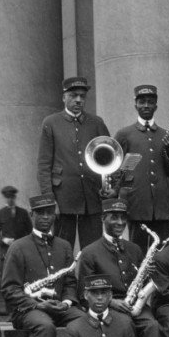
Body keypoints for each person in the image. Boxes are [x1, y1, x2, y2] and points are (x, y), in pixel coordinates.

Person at [77, 198, 165, 337]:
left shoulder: (134, 249)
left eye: (123, 218)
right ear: (103, 218)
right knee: (127, 324)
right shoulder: (90, 252)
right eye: (113, 217)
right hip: (110, 305)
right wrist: (111, 302)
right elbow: (83, 293)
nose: (119, 222)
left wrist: (148, 277)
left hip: (135, 302)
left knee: (152, 326)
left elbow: (142, 279)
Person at [1, 194, 84, 337]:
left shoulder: (64, 246)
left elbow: (70, 283)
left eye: (50, 213)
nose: (46, 217)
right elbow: (10, 289)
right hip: (28, 309)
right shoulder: (18, 247)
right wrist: (37, 305)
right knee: (45, 327)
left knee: (85, 321)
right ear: (32, 215)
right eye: (41, 213)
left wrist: (66, 303)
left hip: (58, 306)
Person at [36, 76, 110, 249]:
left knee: (93, 249)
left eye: (82, 96)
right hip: (63, 199)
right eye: (73, 95)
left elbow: (109, 158)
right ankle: (63, 277)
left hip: (92, 197)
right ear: (64, 97)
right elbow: (44, 164)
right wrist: (50, 200)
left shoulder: (96, 123)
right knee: (61, 248)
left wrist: (108, 185)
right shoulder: (51, 123)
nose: (78, 100)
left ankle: (91, 277)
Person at [114, 84, 169, 253]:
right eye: (142, 102)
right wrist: (116, 197)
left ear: (156, 106)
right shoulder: (124, 134)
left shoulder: (166, 135)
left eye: (150, 102)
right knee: (137, 251)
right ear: (136, 105)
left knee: (162, 252)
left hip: (161, 205)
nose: (146, 106)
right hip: (137, 204)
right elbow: (117, 171)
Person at [0, 185, 32, 257]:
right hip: (7, 250)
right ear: (4, 198)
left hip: (22, 249)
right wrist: (4, 240)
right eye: (7, 197)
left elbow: (30, 231)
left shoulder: (23, 212)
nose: (10, 200)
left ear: (15, 197)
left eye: (12, 197)